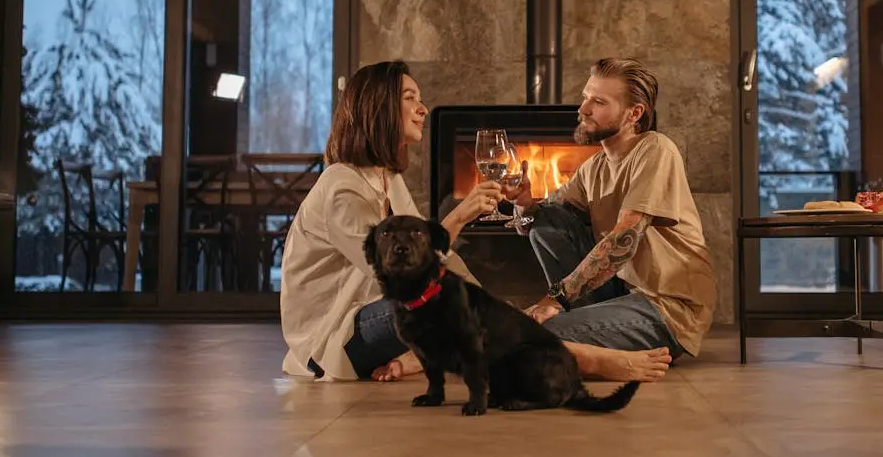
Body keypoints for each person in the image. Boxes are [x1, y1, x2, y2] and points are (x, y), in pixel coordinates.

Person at [279, 59, 674, 383]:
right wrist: (463, 215)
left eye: (597, 101)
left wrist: (491, 299)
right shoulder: (342, 189)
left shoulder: (387, 180)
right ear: (378, 107)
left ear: (634, 113)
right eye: (410, 98)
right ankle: (587, 359)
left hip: (384, 314)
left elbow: (442, 263)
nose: (423, 108)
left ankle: (429, 353)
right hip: (336, 335)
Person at [506, 57, 716, 364]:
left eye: (598, 102)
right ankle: (588, 331)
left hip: (667, 308)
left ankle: (596, 346)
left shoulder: (655, 149)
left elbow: (623, 239)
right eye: (585, 97)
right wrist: (523, 203)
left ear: (634, 114)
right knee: (546, 218)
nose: (583, 110)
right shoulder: (594, 168)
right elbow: (532, 226)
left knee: (533, 337)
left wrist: (556, 299)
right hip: (621, 293)